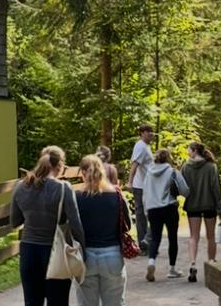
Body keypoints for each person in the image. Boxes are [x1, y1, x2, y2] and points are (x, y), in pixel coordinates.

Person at [11, 145, 86, 306]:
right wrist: (83, 253)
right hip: (55, 251)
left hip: (28, 251)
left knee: (32, 302)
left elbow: (14, 221)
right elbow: (76, 224)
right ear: (59, 166)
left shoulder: (20, 186)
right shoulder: (63, 188)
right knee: (57, 301)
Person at [75, 155, 127, 306]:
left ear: (83, 173)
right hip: (112, 255)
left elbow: (72, 226)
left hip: (86, 258)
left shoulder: (77, 197)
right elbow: (127, 224)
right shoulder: (116, 196)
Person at [180, 141, 221, 282]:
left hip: (192, 206)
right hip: (209, 205)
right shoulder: (211, 167)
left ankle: (193, 263)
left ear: (194, 151)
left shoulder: (186, 167)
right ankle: (211, 264)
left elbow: (181, 187)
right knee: (211, 237)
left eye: (189, 149)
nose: (188, 152)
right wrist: (220, 207)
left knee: (194, 236)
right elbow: (216, 188)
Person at [142, 148, 189, 281]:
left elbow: (145, 193)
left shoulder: (149, 173)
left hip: (153, 209)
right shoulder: (173, 172)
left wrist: (146, 209)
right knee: (172, 238)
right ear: (168, 158)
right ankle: (172, 269)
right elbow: (185, 191)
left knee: (155, 238)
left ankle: (151, 262)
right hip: (169, 207)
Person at [126, 124, 155, 253]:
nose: (151, 134)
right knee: (143, 215)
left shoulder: (146, 146)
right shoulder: (140, 146)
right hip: (140, 186)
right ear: (142, 133)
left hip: (146, 185)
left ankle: (146, 243)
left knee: (148, 215)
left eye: (152, 132)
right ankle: (144, 244)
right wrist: (130, 182)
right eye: (148, 132)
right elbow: (135, 164)